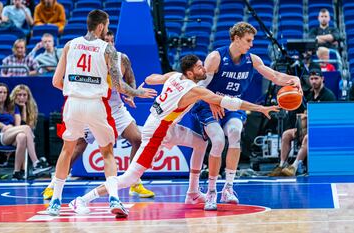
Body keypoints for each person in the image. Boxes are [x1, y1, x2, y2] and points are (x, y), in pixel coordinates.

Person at [68, 55, 279, 217]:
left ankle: (193, 192)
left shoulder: (174, 75)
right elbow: (231, 103)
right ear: (189, 73)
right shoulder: (193, 90)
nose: (203, 68)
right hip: (157, 132)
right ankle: (83, 200)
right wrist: (260, 109)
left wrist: (144, 85)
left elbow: (153, 78)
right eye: (199, 67)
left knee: (200, 143)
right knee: (130, 177)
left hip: (167, 126)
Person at [46, 9, 157, 216]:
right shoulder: (108, 49)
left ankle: (55, 201)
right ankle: (114, 198)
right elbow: (119, 86)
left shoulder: (69, 45)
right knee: (107, 152)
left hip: (73, 104)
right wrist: (138, 92)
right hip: (96, 105)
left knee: (66, 150)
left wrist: (74, 90)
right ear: (100, 27)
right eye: (106, 27)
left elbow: (55, 81)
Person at [191, 22, 301, 210]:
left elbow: (274, 76)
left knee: (234, 133)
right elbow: (198, 87)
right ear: (236, 38)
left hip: (233, 105)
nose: (251, 44)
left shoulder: (252, 60)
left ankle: (228, 187)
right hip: (209, 105)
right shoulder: (216, 57)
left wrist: (293, 79)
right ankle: (211, 192)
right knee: (217, 141)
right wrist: (213, 101)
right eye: (248, 40)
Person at [269, 67, 336, 177]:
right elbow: (300, 114)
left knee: (307, 138)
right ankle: (282, 165)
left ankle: (294, 166)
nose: (314, 81)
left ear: (322, 79)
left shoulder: (329, 95)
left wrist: (307, 116)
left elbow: (329, 117)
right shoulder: (308, 95)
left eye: (316, 78)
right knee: (286, 134)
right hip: (305, 128)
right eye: (311, 79)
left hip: (321, 130)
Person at [0, 83, 51, 180]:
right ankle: (36, 163)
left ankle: (16, 173)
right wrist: (7, 127)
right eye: (0, 92)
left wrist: (13, 128)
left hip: (9, 135)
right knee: (26, 128)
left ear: (7, 94)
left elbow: (18, 125)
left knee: (22, 137)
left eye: (5, 92)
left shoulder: (13, 108)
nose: (2, 94)